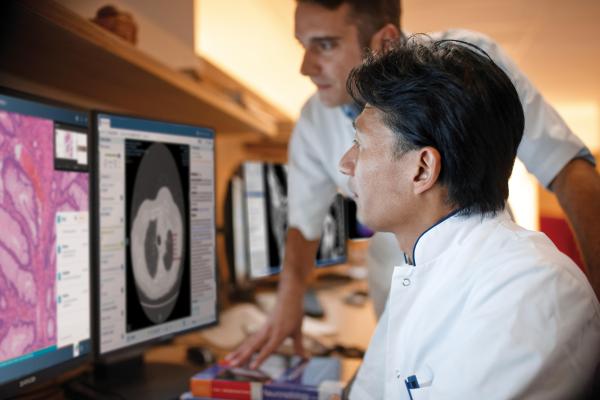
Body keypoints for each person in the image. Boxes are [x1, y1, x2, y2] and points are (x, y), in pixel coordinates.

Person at [227, 0, 600, 369]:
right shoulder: (315, 118)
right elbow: (303, 223)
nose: (305, 67)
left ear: (385, 40)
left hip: (479, 275)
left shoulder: (466, 66)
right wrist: (288, 302)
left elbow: (565, 166)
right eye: (303, 45)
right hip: (396, 280)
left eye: (325, 45)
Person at [340, 36, 600, 400]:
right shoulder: (422, 271)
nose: (345, 163)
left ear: (422, 169)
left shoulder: (530, 291)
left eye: (361, 144)